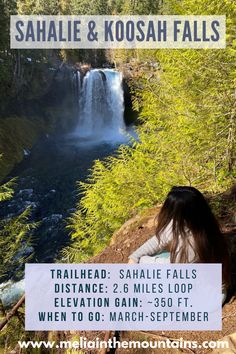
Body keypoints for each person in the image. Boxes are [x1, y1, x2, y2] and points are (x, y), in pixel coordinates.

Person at [128, 186, 230, 303]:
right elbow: (154, 243)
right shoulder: (207, 227)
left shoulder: (188, 244)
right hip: (215, 294)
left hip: (199, 302)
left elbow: (138, 257)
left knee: (145, 262)